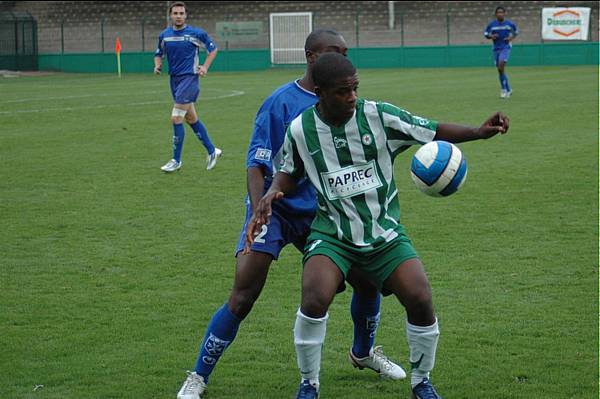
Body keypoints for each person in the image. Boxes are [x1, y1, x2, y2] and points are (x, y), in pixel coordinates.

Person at [248, 53, 510, 399]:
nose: (352, 97)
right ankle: (308, 385)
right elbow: (289, 171)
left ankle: (422, 383)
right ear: (322, 93)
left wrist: (477, 132)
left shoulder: (379, 116)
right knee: (314, 298)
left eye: (355, 88)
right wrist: (272, 193)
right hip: (332, 235)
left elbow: (430, 129)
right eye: (343, 91)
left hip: (384, 233)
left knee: (419, 296)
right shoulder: (302, 129)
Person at [176, 30, 406, 399]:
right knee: (244, 291)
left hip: (322, 214)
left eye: (347, 52)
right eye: (335, 52)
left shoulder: (345, 101)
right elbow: (256, 163)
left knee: (367, 280)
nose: (344, 59)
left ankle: (363, 352)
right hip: (277, 211)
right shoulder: (279, 103)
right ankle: (199, 375)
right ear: (311, 56)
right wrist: (258, 211)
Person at [154, 1, 222, 172]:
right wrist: (158, 65)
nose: (178, 16)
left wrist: (205, 66)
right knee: (191, 119)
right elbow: (158, 53)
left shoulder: (196, 33)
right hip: (174, 80)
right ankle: (212, 151)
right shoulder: (165, 35)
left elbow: (212, 49)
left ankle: (176, 161)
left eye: (181, 13)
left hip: (190, 79)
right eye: (175, 13)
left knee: (176, 117)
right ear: (171, 15)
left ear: (185, 15)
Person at [484, 6, 518, 99]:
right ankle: (507, 89)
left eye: (502, 12)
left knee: (501, 64)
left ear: (504, 13)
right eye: (498, 12)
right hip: (496, 48)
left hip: (506, 47)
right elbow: (486, 34)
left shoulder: (509, 24)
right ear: (496, 14)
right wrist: (491, 36)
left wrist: (510, 38)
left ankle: (504, 90)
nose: (500, 14)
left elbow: (516, 32)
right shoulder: (492, 25)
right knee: (500, 70)